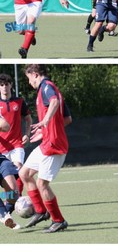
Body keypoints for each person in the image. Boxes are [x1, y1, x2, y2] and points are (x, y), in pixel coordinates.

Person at [19, 64, 72, 233]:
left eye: (29, 78)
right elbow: (67, 119)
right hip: (48, 141)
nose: (29, 82)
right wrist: (46, 130)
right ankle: (41, 212)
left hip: (54, 145)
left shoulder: (46, 87)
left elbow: (54, 102)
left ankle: (58, 220)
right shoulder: (50, 88)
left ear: (35, 74)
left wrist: (45, 122)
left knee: (42, 184)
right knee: (24, 174)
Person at [0, 73, 32, 197]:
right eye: (1, 85)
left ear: (11, 85)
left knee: (18, 169)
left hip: (16, 144)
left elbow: (28, 119)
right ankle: (10, 198)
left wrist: (27, 135)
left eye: (6, 84)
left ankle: (17, 199)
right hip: (2, 148)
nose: (4, 87)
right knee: (6, 180)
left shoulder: (19, 102)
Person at [0, 116, 20, 230]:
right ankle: (4, 215)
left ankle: (4, 210)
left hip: (0, 160)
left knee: (13, 194)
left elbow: (6, 126)